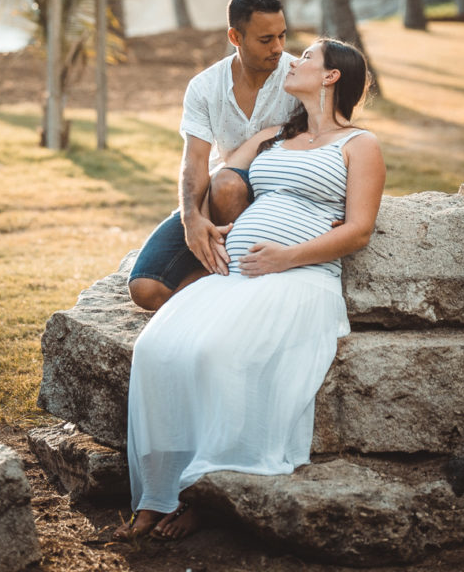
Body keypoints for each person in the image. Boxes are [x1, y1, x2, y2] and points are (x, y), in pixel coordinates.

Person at [115, 36, 386, 542]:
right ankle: (158, 495)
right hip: (237, 276)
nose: (294, 59)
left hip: (298, 279)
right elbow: (216, 175)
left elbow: (359, 230)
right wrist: (200, 221)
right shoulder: (273, 136)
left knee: (217, 354)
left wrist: (286, 256)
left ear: (331, 77)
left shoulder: (360, 145)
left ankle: (207, 492)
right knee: (157, 348)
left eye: (307, 57)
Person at [127, 0, 299, 312]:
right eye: (266, 40)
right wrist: (192, 218)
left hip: (279, 201)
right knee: (145, 289)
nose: (278, 48)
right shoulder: (205, 87)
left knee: (228, 186)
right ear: (235, 37)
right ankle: (225, 286)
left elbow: (332, 141)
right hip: (215, 202)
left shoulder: (297, 77)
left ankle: (238, 293)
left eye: (282, 36)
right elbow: (194, 159)